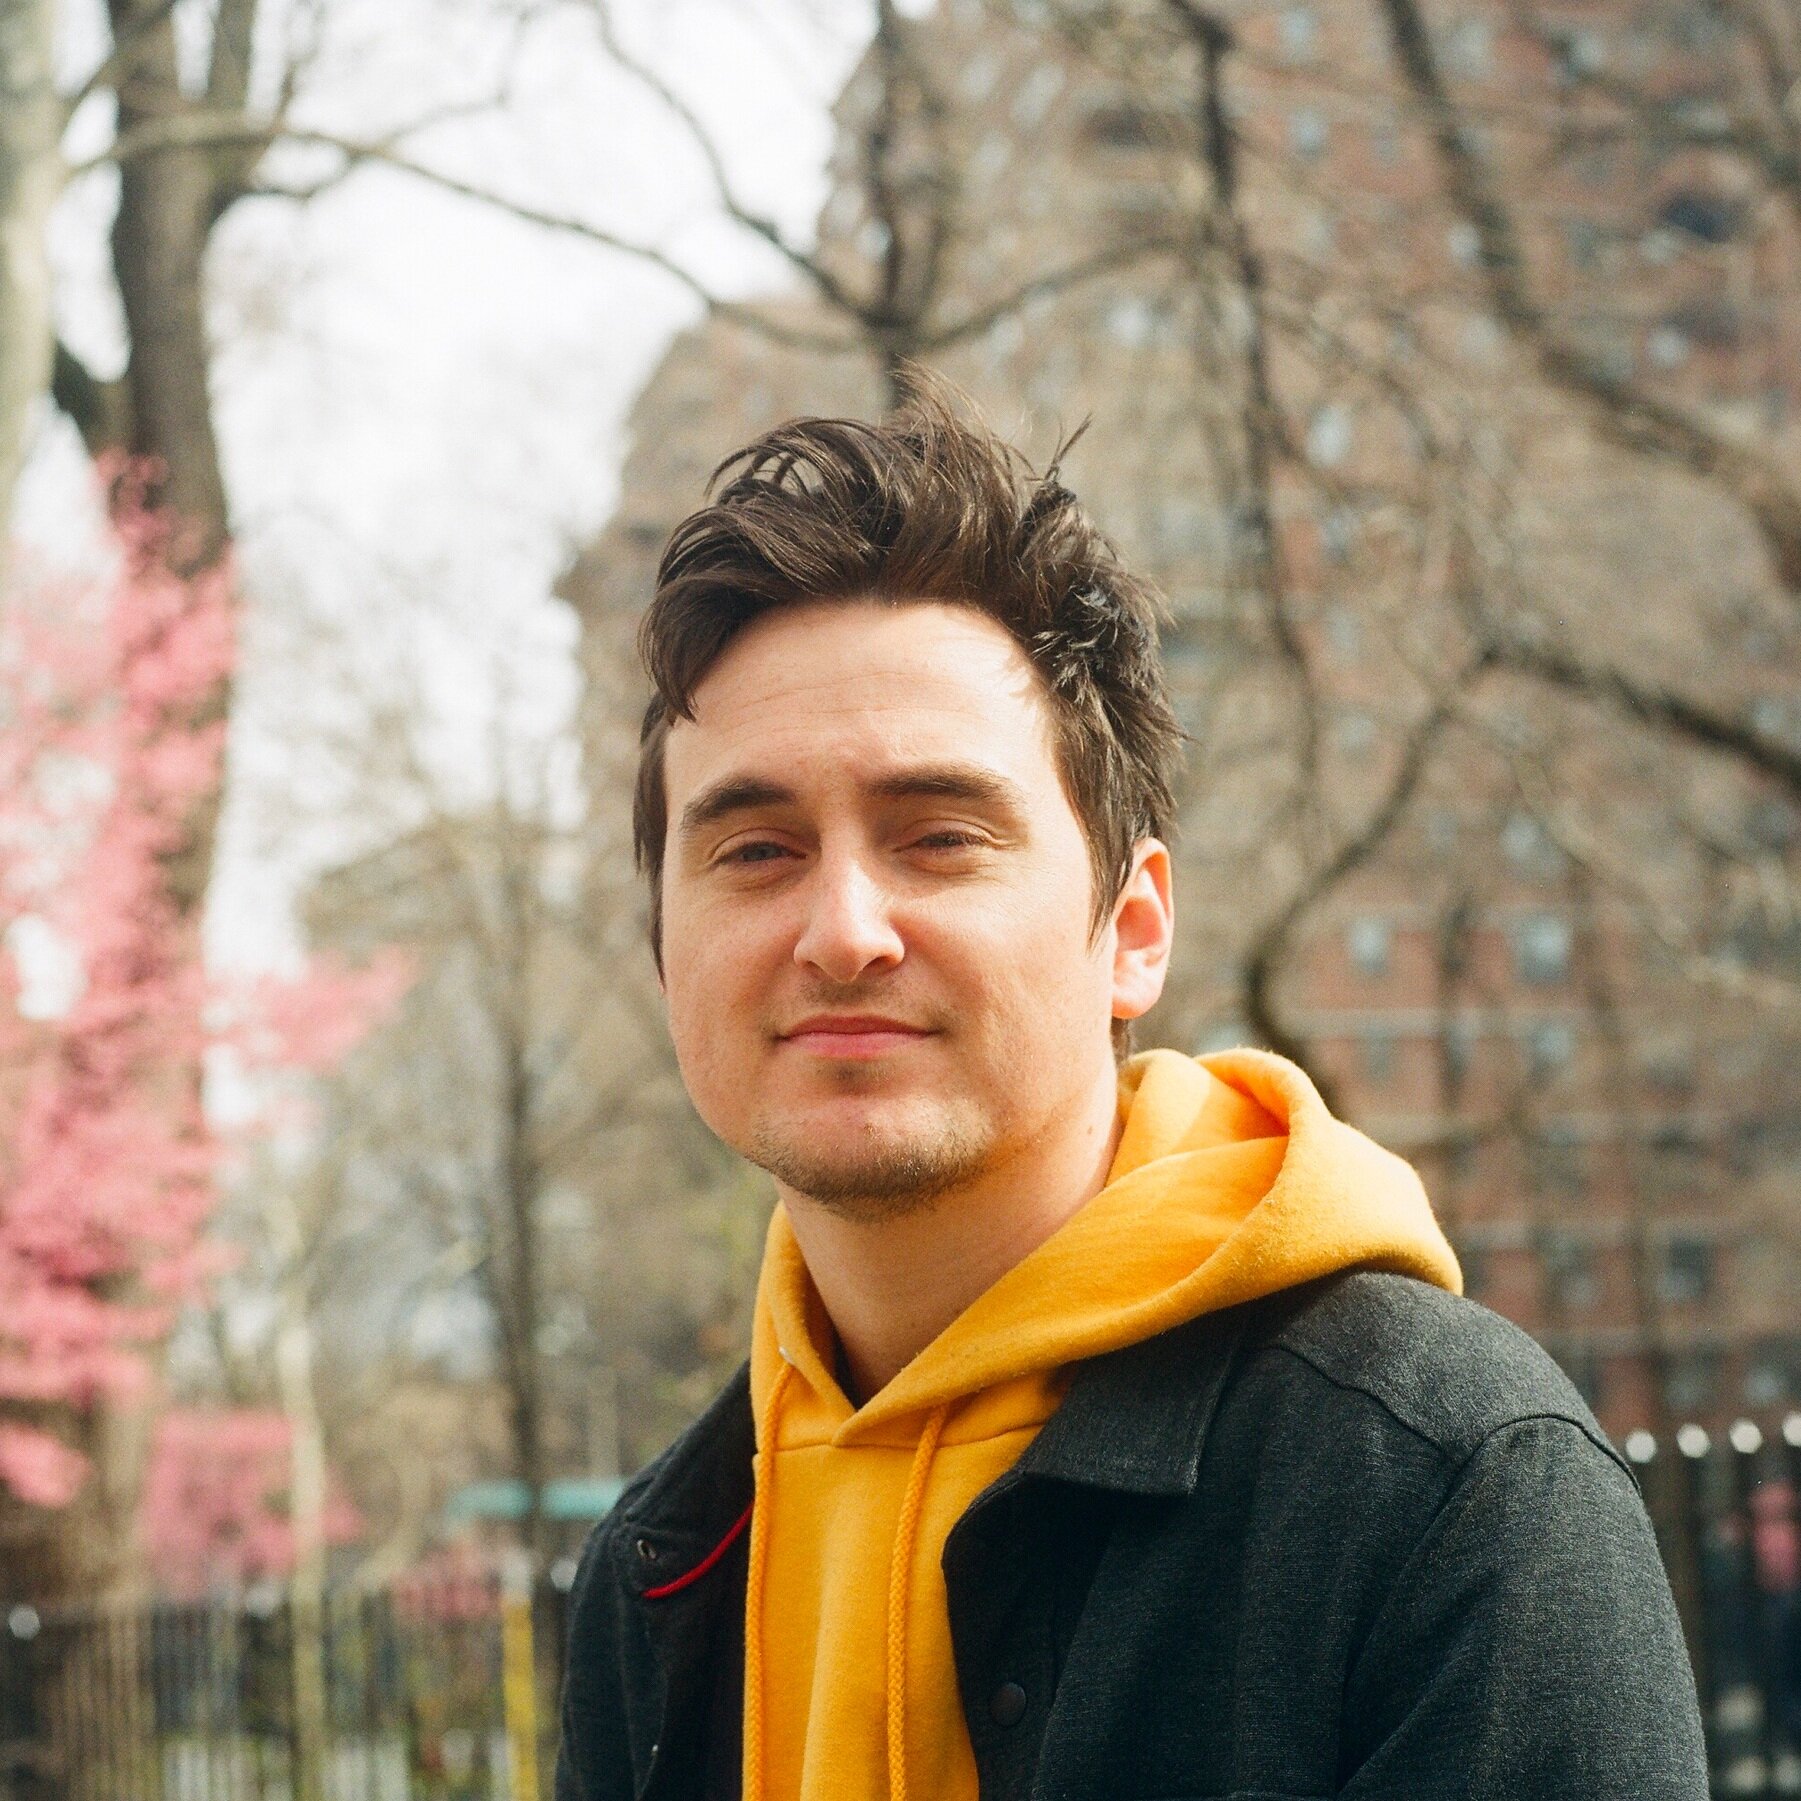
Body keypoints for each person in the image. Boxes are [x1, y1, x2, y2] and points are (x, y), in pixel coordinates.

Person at [556, 379, 1708, 1800]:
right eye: (754, 851)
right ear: (663, 951)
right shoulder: (656, 1573)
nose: (844, 930)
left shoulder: (1440, 1489)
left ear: (1135, 929)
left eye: (938, 835)